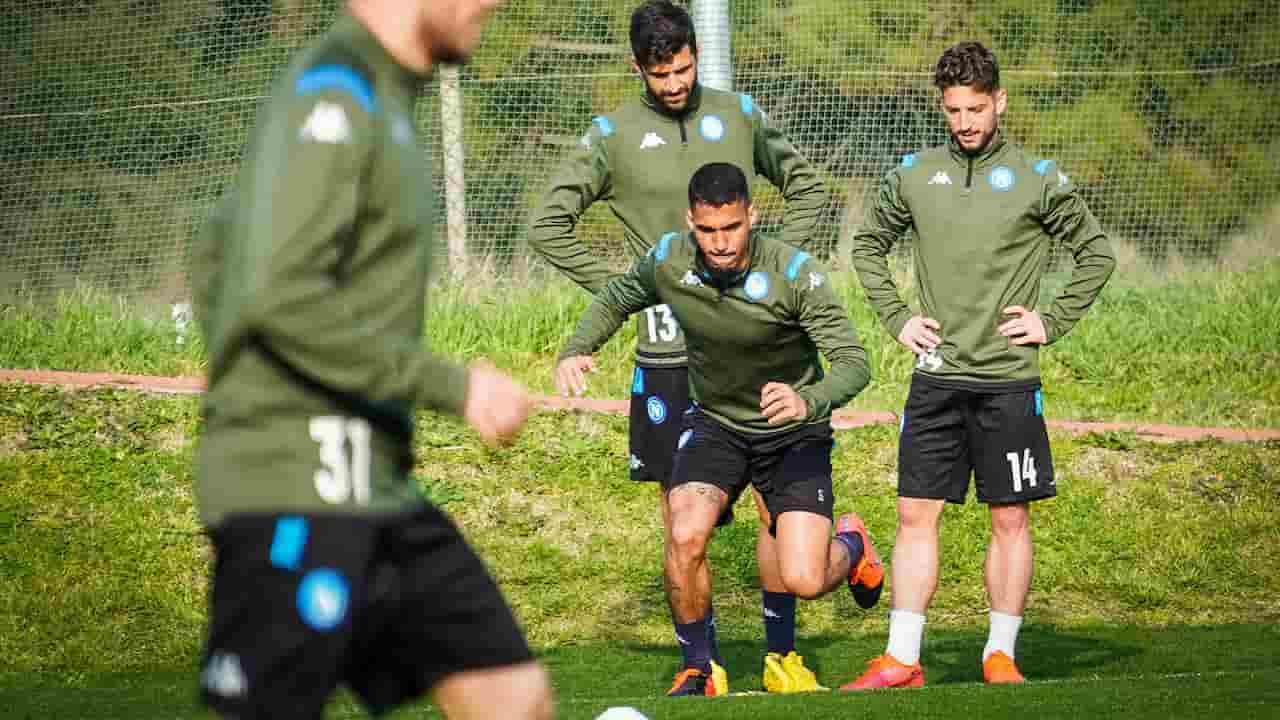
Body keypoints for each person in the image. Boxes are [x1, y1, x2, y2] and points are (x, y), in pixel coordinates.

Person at [189, 2, 555, 718]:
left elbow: (214, 253)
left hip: (373, 488)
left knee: (512, 697)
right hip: (294, 488)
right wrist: (453, 387)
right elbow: (274, 290)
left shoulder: (381, 95)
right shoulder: (335, 91)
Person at [529, 0, 830, 693]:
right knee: (681, 521)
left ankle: (782, 655)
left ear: (697, 54)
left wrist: (777, 267)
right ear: (637, 67)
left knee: (769, 504)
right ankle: (702, 664)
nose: (675, 84)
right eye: (660, 73)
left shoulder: (737, 113)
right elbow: (550, 224)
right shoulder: (611, 136)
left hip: (754, 347)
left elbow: (808, 186)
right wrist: (631, 288)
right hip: (667, 359)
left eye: (686, 67)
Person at [844, 41, 1116, 689]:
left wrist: (1051, 321)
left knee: (1010, 519)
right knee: (916, 514)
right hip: (935, 376)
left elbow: (1096, 255)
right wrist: (897, 316)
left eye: (975, 107)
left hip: (1009, 382)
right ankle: (903, 659)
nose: (964, 121)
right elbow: (868, 245)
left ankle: (1000, 655)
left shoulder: (1037, 177)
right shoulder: (914, 173)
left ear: (1000, 101)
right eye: (953, 109)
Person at [556, 162, 882, 697]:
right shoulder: (670, 260)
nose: (721, 242)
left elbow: (853, 361)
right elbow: (617, 296)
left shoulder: (795, 274)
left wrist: (809, 399)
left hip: (793, 431)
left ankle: (851, 544)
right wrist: (577, 348)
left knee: (805, 579)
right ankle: (699, 669)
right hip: (717, 424)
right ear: (691, 221)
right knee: (684, 533)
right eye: (707, 231)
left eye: (731, 227)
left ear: (751, 215)